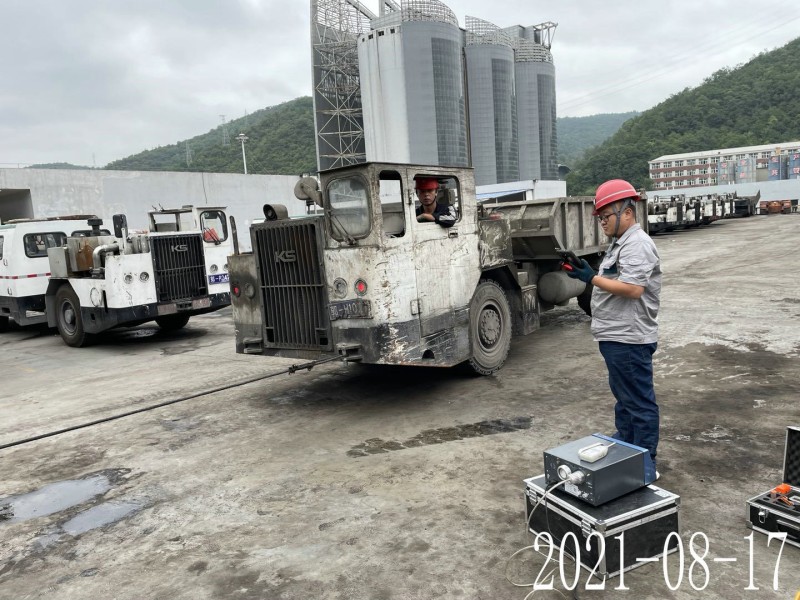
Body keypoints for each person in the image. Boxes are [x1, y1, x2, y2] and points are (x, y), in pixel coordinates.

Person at [565, 179, 663, 483]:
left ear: (627, 212)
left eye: (606, 216)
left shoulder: (637, 244)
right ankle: (626, 445)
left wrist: (591, 278)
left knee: (638, 402)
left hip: (629, 337)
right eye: (600, 218)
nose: (603, 222)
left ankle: (645, 463)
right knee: (625, 399)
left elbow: (633, 289)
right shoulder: (620, 244)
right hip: (615, 335)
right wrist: (588, 273)